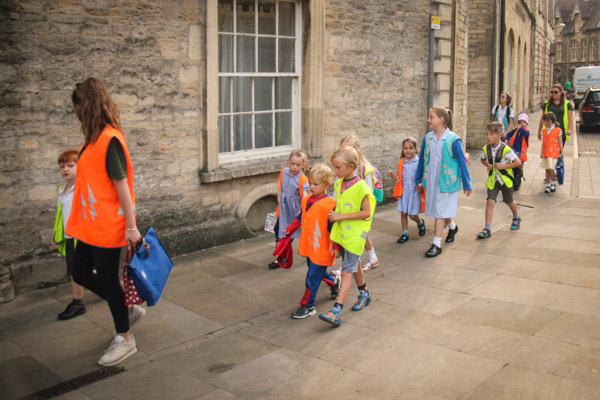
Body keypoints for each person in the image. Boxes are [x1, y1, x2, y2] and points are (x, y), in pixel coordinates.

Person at [67, 78, 145, 366]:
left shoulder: (110, 139)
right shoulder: (92, 139)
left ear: (85, 106)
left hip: (109, 225)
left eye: (76, 105)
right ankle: (127, 308)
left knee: (110, 282)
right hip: (91, 224)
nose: (74, 111)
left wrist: (131, 227)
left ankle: (125, 338)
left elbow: (122, 185)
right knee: (81, 272)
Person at [319, 147, 375, 327]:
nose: (335, 172)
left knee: (346, 272)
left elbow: (367, 213)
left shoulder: (362, 187)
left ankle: (336, 311)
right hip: (343, 234)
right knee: (354, 264)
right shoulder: (339, 183)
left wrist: (340, 216)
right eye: (334, 167)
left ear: (351, 166)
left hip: (355, 236)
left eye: (338, 168)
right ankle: (364, 294)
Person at [286, 163, 341, 319]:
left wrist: (336, 246)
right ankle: (333, 282)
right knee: (317, 272)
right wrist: (290, 228)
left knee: (311, 276)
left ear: (326, 185)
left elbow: (334, 227)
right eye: (310, 183)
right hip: (310, 245)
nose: (311, 187)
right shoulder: (306, 199)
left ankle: (308, 306)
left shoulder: (330, 204)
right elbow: (301, 216)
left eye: (316, 184)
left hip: (323, 247)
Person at [416, 107, 472, 258]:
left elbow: (462, 162)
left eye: (431, 117)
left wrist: (467, 183)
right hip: (432, 180)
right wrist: (418, 177)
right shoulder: (428, 138)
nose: (428, 120)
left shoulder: (453, 140)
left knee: (440, 211)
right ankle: (452, 227)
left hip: (446, 182)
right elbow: (422, 159)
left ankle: (437, 244)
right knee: (439, 208)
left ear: (441, 119)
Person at [52, 149, 86, 320]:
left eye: (71, 166)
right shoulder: (62, 190)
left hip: (80, 238)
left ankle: (78, 303)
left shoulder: (82, 189)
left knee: (77, 272)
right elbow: (61, 215)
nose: (66, 169)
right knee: (77, 272)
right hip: (69, 237)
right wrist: (57, 234)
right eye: (62, 166)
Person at [339, 134, 379, 271]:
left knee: (356, 236)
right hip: (351, 210)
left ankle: (350, 265)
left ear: (356, 149)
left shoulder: (365, 170)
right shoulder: (347, 167)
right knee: (362, 234)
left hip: (362, 211)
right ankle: (372, 258)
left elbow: (367, 194)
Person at [477, 122, 522, 239]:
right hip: (493, 181)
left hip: (505, 181)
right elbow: (482, 159)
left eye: (491, 134)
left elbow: (518, 162)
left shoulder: (506, 150)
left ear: (499, 135)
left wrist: (503, 167)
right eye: (488, 134)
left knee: (509, 201)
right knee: (490, 202)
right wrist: (487, 164)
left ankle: (516, 216)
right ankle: (487, 228)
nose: (488, 137)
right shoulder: (486, 149)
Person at [268, 149, 309, 269]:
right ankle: (281, 250)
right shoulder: (283, 172)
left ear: (303, 165)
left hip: (294, 211)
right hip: (283, 208)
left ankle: (281, 258)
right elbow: (280, 187)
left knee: (287, 235)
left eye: (298, 165)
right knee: (277, 230)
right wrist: (279, 202)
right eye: (292, 164)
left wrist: (301, 211)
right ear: (289, 162)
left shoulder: (303, 179)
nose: (294, 167)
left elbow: (305, 197)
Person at [386, 137, 426, 243]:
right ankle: (405, 233)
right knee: (403, 213)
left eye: (411, 148)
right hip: (404, 192)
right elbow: (399, 179)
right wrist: (392, 175)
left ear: (416, 149)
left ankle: (420, 222)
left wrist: (422, 184)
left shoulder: (419, 163)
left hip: (414, 192)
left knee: (412, 215)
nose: (408, 151)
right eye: (405, 148)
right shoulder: (402, 163)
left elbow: (424, 177)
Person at [503, 113, 530, 192]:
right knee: (513, 165)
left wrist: (521, 128)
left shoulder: (526, 131)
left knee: (520, 165)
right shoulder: (516, 130)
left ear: (527, 123)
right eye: (520, 122)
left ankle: (518, 179)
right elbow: (509, 134)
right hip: (514, 150)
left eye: (524, 122)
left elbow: (526, 134)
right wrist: (507, 139)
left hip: (521, 152)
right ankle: (512, 178)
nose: (522, 124)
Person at [540, 112, 563, 194]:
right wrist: (541, 152)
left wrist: (561, 152)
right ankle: (547, 184)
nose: (544, 123)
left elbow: (560, 142)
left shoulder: (558, 130)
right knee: (547, 168)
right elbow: (543, 142)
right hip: (546, 152)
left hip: (554, 152)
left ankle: (552, 182)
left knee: (551, 167)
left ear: (549, 121)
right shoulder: (544, 131)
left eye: (545, 121)